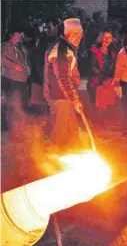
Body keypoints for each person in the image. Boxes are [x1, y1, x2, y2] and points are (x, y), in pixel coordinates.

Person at [43, 18, 84, 153]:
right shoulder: (62, 50)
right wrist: (75, 99)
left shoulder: (66, 47)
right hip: (59, 96)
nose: (78, 37)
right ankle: (54, 154)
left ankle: (74, 150)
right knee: (61, 128)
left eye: (80, 34)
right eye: (74, 34)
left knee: (70, 125)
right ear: (67, 34)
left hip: (63, 95)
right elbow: (63, 78)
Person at [1, 25, 31, 134]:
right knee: (14, 105)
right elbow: (1, 58)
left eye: (20, 35)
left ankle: (18, 127)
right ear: (11, 35)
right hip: (12, 79)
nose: (20, 37)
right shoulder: (6, 46)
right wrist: (13, 66)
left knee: (20, 104)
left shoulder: (19, 46)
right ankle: (12, 129)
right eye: (18, 35)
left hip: (21, 80)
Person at [89, 31, 117, 122]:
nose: (107, 40)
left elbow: (114, 67)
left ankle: (100, 125)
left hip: (108, 81)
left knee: (105, 106)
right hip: (97, 81)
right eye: (105, 37)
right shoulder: (95, 50)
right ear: (101, 38)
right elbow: (93, 67)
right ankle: (97, 126)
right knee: (98, 106)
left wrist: (112, 78)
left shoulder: (113, 52)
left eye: (109, 37)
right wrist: (103, 78)